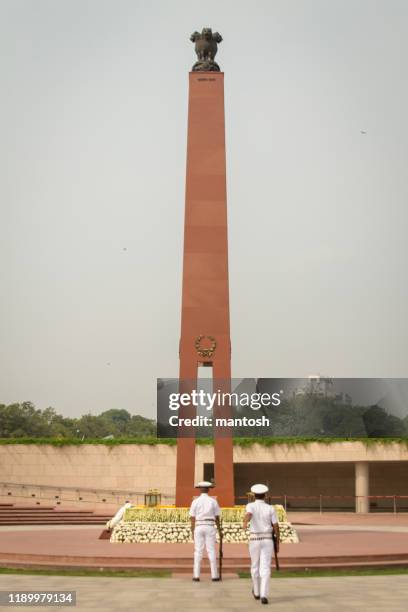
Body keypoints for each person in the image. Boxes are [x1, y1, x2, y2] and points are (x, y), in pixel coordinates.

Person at [243, 484, 280, 605]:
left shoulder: (250, 505)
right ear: (265, 495)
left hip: (255, 538)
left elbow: (249, 514)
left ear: (254, 495)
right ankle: (264, 594)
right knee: (265, 567)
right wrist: (278, 542)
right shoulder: (270, 508)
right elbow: (275, 526)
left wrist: (245, 523)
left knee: (255, 566)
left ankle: (257, 592)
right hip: (267, 539)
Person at [189, 480, 222, 582]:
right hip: (209, 525)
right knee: (211, 550)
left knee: (198, 551)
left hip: (199, 525)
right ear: (208, 490)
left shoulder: (195, 501)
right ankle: (214, 576)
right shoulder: (213, 501)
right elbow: (217, 517)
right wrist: (220, 529)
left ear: (200, 489)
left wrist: (192, 530)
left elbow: (192, 517)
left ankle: (196, 575)